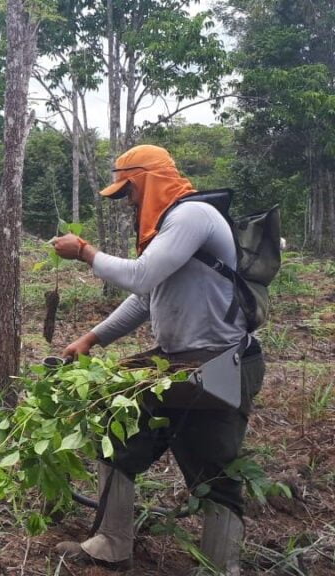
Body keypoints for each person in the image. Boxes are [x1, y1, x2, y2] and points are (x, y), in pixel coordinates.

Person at [50, 145, 264, 575]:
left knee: (214, 468)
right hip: (175, 363)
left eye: (128, 191)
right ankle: (111, 545)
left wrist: (86, 252)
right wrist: (91, 338)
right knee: (117, 437)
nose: (128, 201)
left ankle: (222, 567)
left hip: (218, 364)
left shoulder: (192, 216)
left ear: (148, 180)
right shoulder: (169, 229)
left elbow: (140, 276)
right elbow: (147, 297)